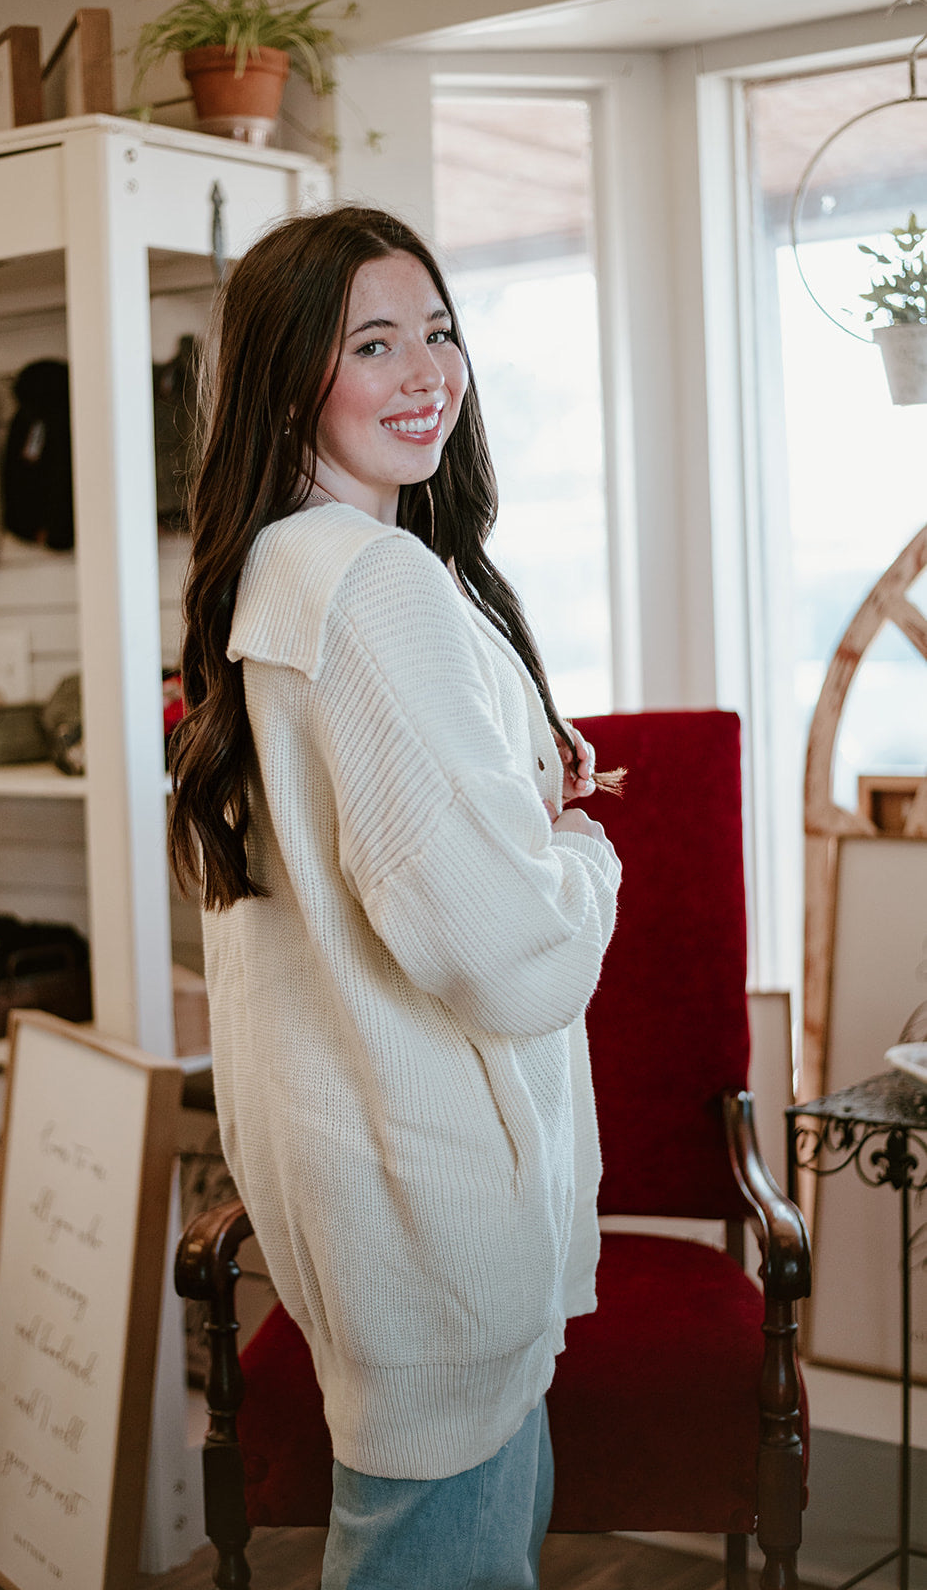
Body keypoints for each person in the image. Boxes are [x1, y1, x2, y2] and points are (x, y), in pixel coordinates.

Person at [169, 204, 622, 1590]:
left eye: (438, 331)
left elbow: (366, 852)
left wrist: (515, 789)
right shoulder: (374, 587)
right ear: (287, 380)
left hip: (355, 1161)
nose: (428, 373)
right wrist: (582, 856)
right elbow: (509, 952)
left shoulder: (280, 570)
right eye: (373, 344)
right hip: (432, 1184)